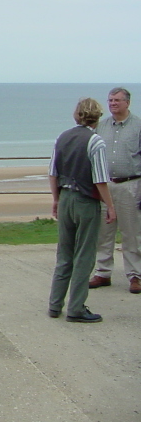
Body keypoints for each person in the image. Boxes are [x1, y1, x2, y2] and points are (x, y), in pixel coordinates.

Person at [48, 98, 116, 322]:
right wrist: (110, 206)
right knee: (84, 255)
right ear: (97, 116)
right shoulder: (96, 141)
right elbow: (100, 179)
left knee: (64, 253)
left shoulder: (62, 138)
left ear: (77, 115)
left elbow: (53, 173)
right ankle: (76, 308)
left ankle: (55, 304)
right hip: (85, 200)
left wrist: (57, 199)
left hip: (66, 196)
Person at [88, 87, 141, 294]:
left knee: (132, 233)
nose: (112, 103)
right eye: (110, 100)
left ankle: (135, 275)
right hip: (105, 186)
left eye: (117, 100)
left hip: (131, 185)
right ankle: (103, 272)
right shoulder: (100, 127)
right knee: (104, 232)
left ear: (127, 102)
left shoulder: (138, 126)